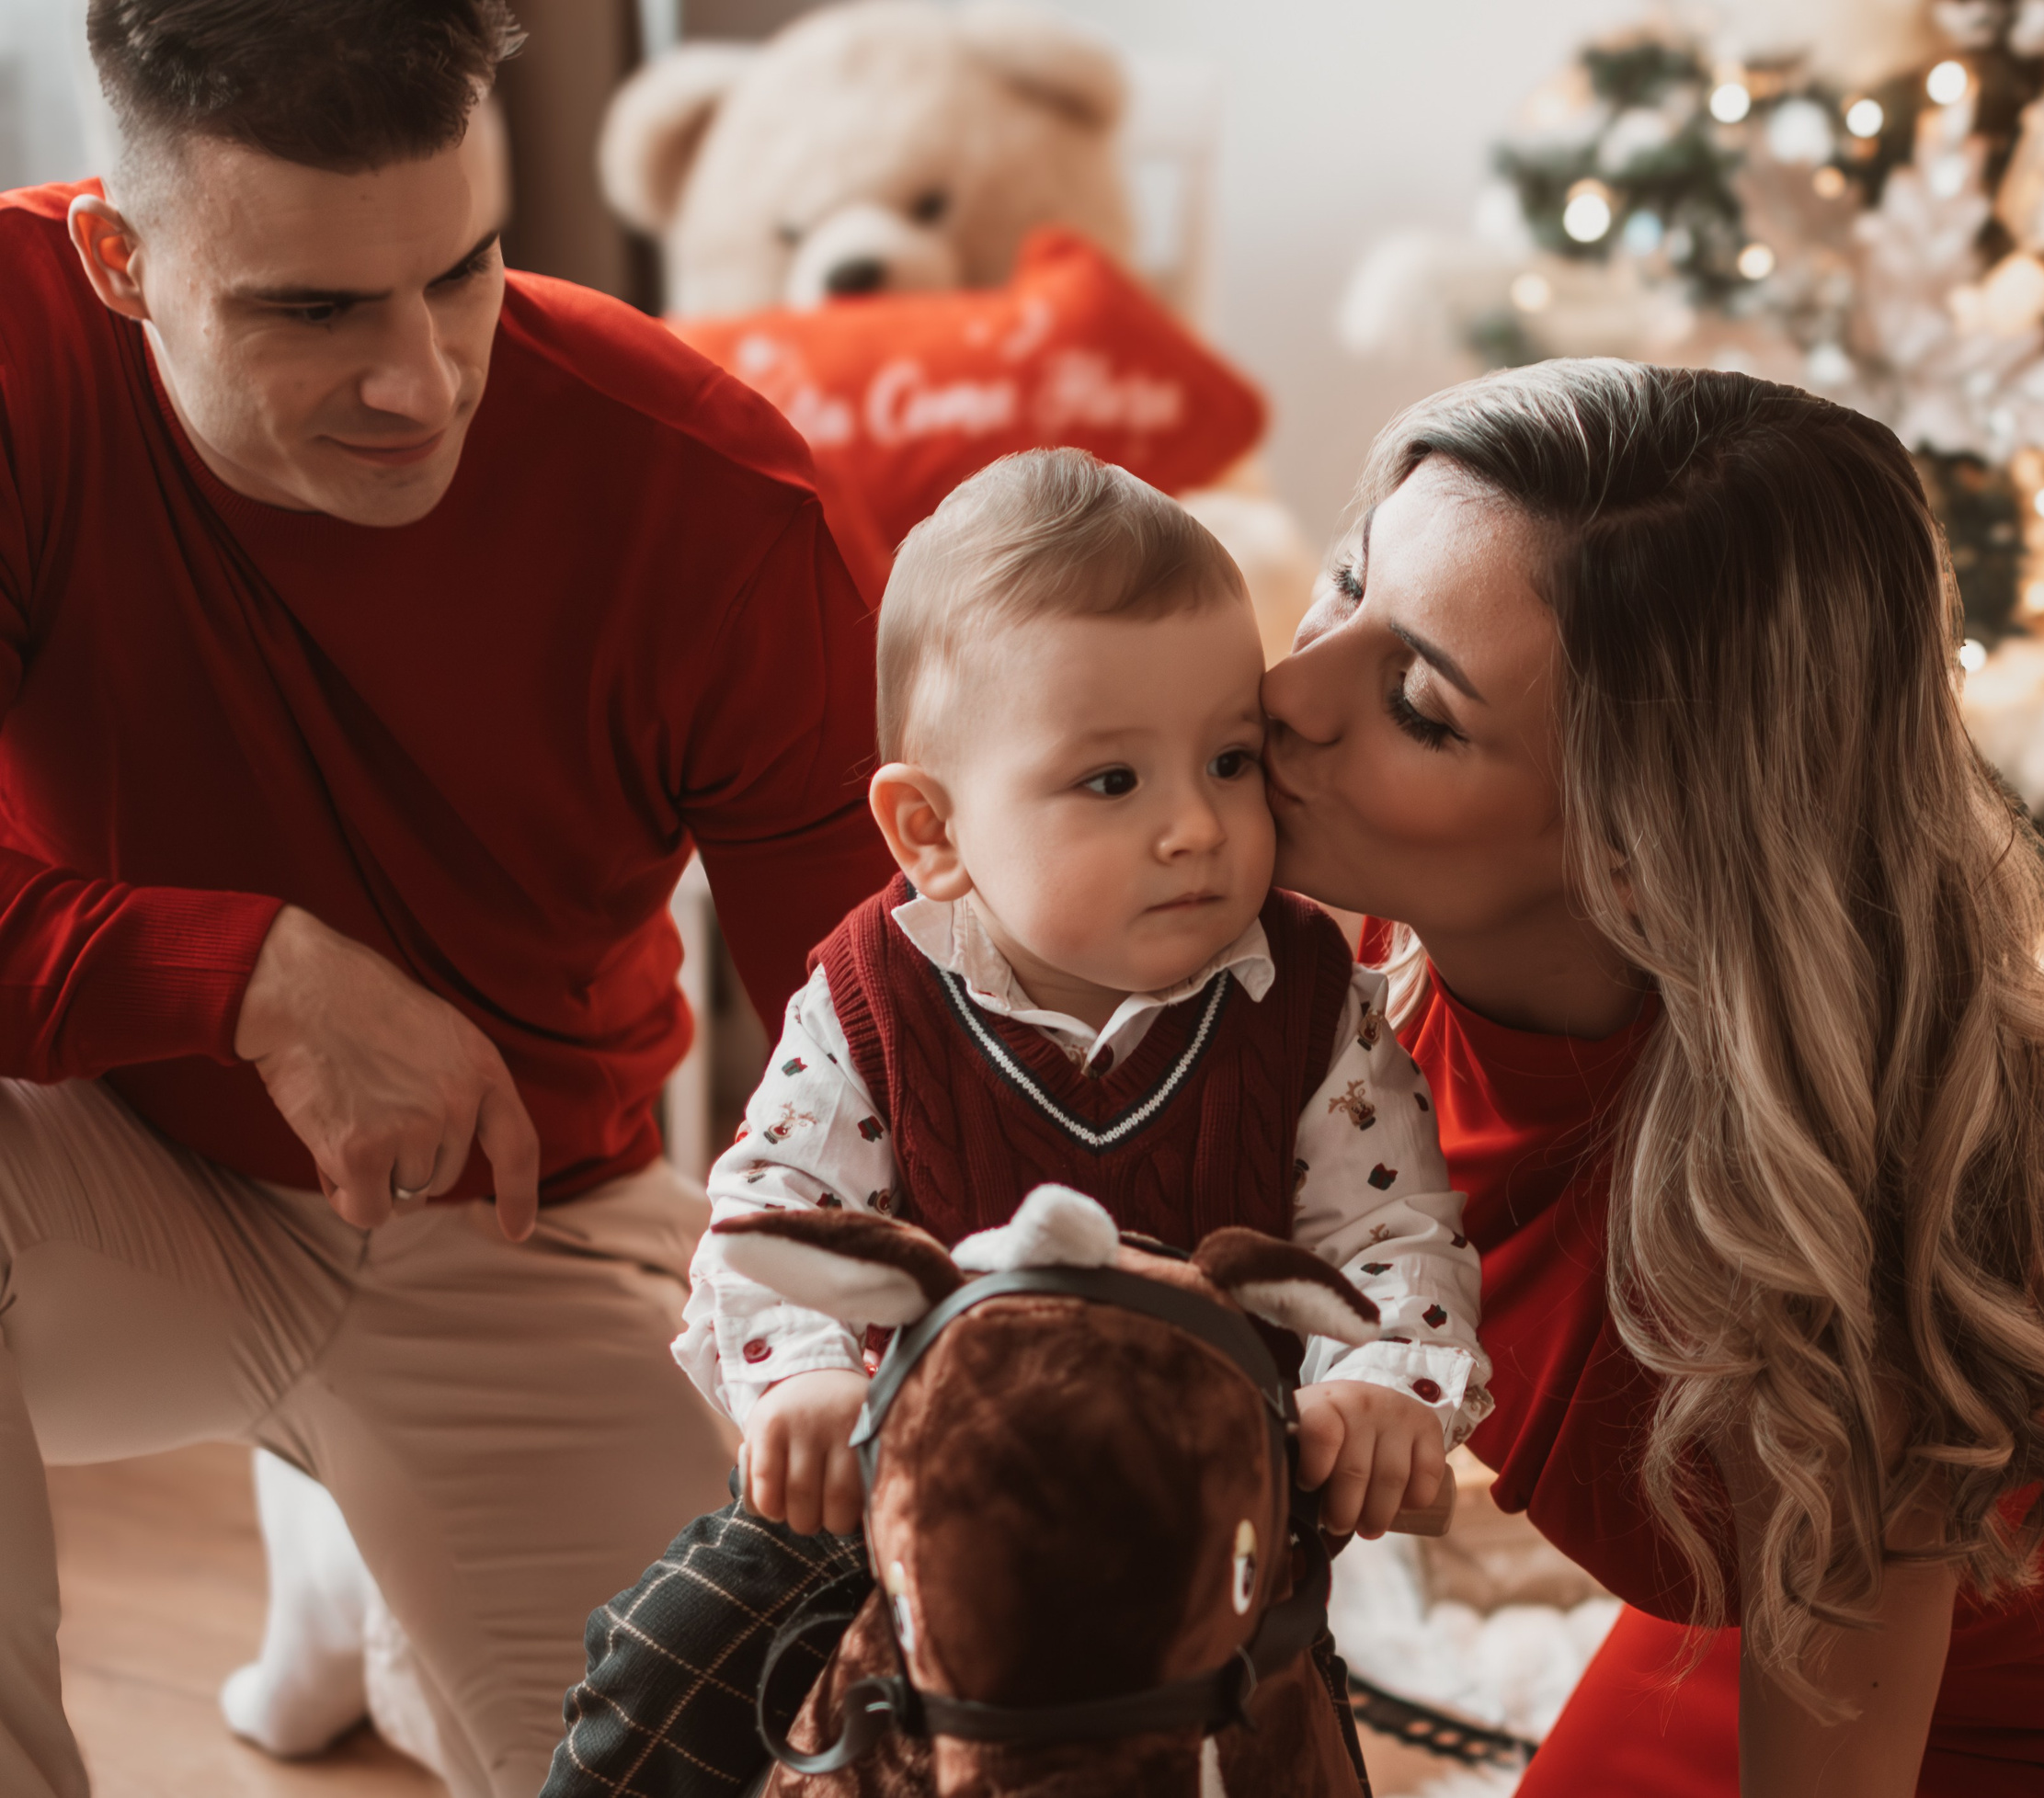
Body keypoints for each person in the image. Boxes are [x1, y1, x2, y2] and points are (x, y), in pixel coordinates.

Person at [0, 2, 891, 1793]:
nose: (417, 381)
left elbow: (896, 1048)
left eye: (463, 271)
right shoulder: (12, 356)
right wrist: (252, 977)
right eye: (309, 310)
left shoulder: (710, 503)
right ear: (118, 256)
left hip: (520, 1224)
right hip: (108, 1177)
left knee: (717, 1767)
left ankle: (365, 1557)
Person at [1258, 358, 2044, 1795]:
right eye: (1348, 581)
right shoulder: (1387, 942)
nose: (1283, 691)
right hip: (1823, 1601)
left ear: (1642, 851)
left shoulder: (1822, 1296)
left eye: (1419, 703)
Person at [543, 449, 1488, 1797]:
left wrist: (1382, 1387)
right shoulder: (875, 997)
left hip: (1199, 1510)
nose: (1196, 830)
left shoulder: (1305, 999)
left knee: (1294, 1737)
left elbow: (1396, 1230)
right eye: (1112, 783)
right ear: (931, 830)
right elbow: (764, 1208)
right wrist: (804, 1380)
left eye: (1230, 760)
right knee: (667, 1661)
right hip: (906, 1498)